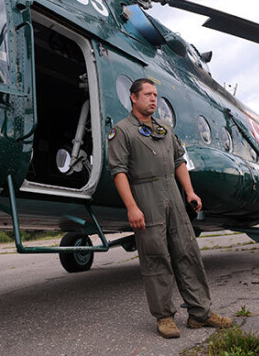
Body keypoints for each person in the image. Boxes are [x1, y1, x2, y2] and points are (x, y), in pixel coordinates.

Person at [107, 78, 232, 339]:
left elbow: (179, 161)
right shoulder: (122, 131)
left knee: (188, 252)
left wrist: (189, 191)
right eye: (148, 94)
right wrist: (132, 207)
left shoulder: (164, 128)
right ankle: (164, 316)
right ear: (134, 97)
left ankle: (200, 313)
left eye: (155, 94)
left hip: (173, 195)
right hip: (145, 195)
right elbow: (118, 172)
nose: (154, 99)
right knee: (156, 258)